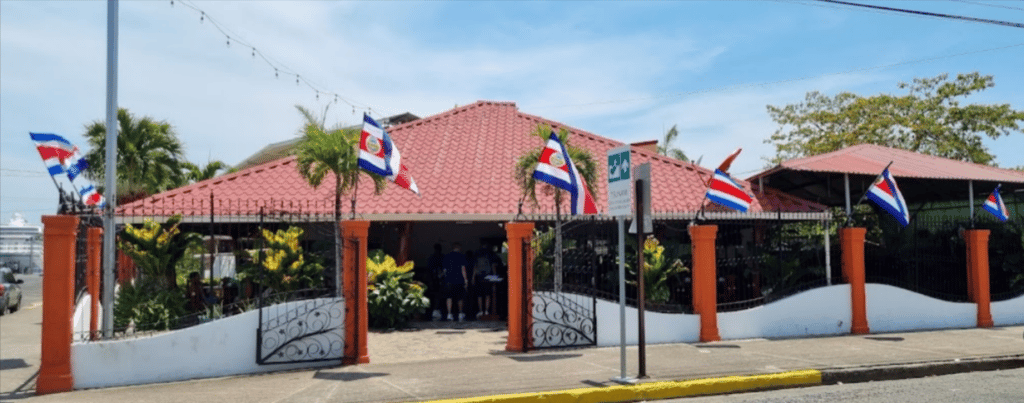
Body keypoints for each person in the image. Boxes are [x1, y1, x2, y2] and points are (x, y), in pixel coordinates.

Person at [441, 243, 468, 321]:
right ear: (458, 247)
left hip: (449, 280)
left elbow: (444, 270)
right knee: (460, 298)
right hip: (459, 279)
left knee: (449, 297)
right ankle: (460, 314)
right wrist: (466, 280)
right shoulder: (461, 256)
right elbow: (463, 269)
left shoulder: (447, 256)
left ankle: (449, 314)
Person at [426, 243, 445, 320]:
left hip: (434, 279)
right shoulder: (441, 257)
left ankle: (435, 310)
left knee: (436, 296)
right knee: (438, 295)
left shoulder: (432, 258)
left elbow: (429, 269)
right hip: (438, 279)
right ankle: (437, 310)